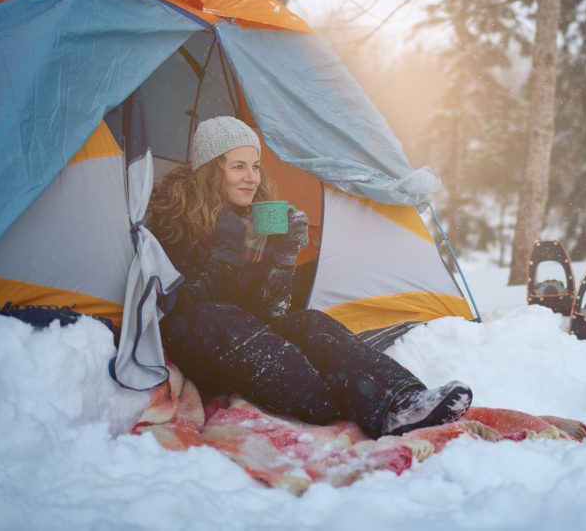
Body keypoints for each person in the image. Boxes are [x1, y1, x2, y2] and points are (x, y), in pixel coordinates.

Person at [148, 116, 472, 438]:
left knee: (308, 321)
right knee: (215, 317)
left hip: (248, 347)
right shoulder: (175, 219)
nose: (252, 178)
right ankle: (346, 405)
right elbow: (182, 309)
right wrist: (225, 255)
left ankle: (404, 398)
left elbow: (268, 313)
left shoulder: (254, 219)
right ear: (210, 172)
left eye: (256, 166)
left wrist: (282, 256)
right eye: (238, 167)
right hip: (200, 344)